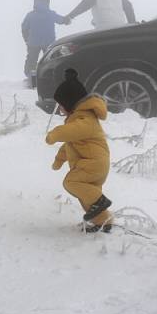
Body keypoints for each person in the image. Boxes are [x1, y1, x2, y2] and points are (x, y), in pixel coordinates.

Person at [46, 68, 114, 233]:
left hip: (93, 164)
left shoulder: (85, 120)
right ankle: (103, 222)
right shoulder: (79, 119)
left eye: (61, 105)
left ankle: (101, 201)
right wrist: (58, 160)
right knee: (87, 199)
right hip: (92, 165)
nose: (60, 108)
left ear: (70, 104)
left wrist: (55, 134)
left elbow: (72, 132)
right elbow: (69, 144)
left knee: (71, 182)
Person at [21, 0, 68, 86]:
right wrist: (67, 19)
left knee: (31, 61)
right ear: (48, 2)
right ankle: (49, 79)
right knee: (50, 61)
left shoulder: (30, 15)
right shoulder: (51, 14)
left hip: (33, 42)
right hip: (49, 42)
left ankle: (32, 80)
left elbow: (24, 28)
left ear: (35, 2)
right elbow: (61, 20)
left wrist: (26, 39)